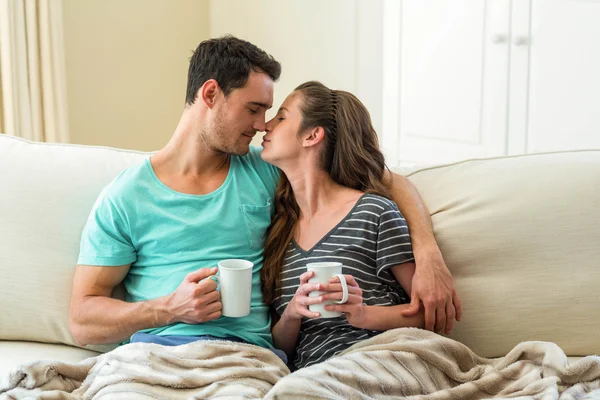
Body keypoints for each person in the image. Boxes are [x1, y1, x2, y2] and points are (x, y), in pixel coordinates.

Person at [69, 36, 460, 362]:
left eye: (270, 113)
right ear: (210, 94)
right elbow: (82, 319)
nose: (261, 126)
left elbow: (390, 182)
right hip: (154, 354)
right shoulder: (125, 196)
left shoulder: (269, 169)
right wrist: (168, 308)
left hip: (247, 357)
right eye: (253, 109)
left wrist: (428, 255)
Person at [260, 81, 425, 368]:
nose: (266, 125)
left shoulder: (373, 212)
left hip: (381, 358)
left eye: (282, 116)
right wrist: (293, 314)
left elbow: (427, 314)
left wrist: (362, 314)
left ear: (312, 135)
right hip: (313, 374)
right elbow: (281, 346)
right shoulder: (278, 230)